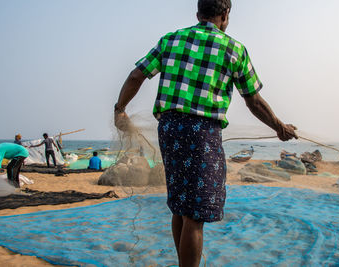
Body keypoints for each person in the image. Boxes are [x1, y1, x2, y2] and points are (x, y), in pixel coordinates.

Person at [113, 1, 297, 266]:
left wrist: (120, 109)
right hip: (203, 134)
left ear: (198, 14)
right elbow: (253, 101)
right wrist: (280, 128)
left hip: (170, 129)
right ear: (225, 15)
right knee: (196, 215)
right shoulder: (234, 49)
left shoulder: (171, 40)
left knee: (180, 206)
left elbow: (135, 76)